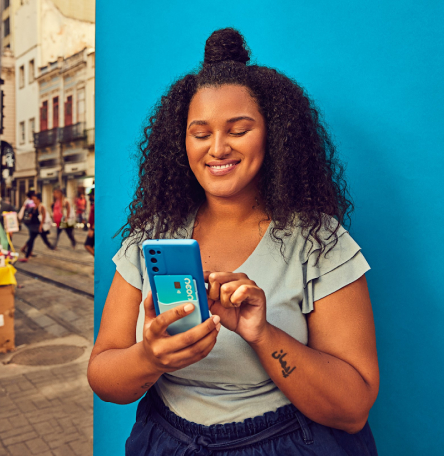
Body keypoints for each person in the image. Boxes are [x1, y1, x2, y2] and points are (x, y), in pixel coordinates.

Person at [88, 28, 379, 456]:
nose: (217, 148)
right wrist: (150, 357)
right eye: (200, 133)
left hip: (286, 442)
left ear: (274, 135)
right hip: (166, 441)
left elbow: (352, 410)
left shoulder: (319, 241)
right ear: (181, 141)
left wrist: (262, 334)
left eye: (238, 130)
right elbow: (103, 377)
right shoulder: (148, 239)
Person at [19, 193, 54, 262]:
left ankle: (51, 246)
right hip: (33, 227)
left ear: (39, 200)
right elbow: (30, 215)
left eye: (35, 199)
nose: (33, 201)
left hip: (38, 227)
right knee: (31, 240)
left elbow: (43, 217)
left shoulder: (41, 207)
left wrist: (41, 226)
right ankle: (26, 256)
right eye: (33, 199)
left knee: (45, 240)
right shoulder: (33, 207)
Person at [84, 189, 95, 256]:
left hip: (94, 228)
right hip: (92, 228)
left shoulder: (96, 204)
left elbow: (97, 216)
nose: (89, 197)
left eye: (90, 196)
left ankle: (98, 259)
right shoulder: (94, 203)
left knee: (87, 245)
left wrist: (92, 229)